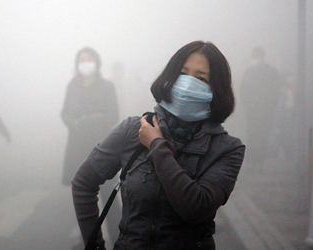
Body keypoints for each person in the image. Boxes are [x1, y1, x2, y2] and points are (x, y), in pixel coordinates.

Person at [72, 41, 245, 249]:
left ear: (216, 89)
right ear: (170, 78)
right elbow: (83, 183)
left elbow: (195, 209)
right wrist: (94, 246)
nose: (188, 84)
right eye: (183, 73)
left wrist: (156, 145)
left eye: (201, 78)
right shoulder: (133, 129)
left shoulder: (227, 149)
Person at [61, 47, 120, 245]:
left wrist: (95, 119)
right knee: (83, 198)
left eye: (89, 59)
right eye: (81, 60)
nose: (85, 63)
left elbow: (113, 115)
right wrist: (74, 122)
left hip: (102, 146)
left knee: (109, 197)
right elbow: (64, 113)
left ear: (97, 62)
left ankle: (119, 239)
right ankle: (90, 241)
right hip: (77, 146)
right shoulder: (73, 85)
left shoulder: (107, 86)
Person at [240, 47, 283, 165]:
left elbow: (243, 90)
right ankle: (257, 160)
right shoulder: (271, 71)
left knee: (256, 133)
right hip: (260, 109)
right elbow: (277, 90)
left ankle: (254, 160)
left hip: (257, 109)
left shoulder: (252, 72)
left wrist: (247, 104)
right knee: (260, 133)